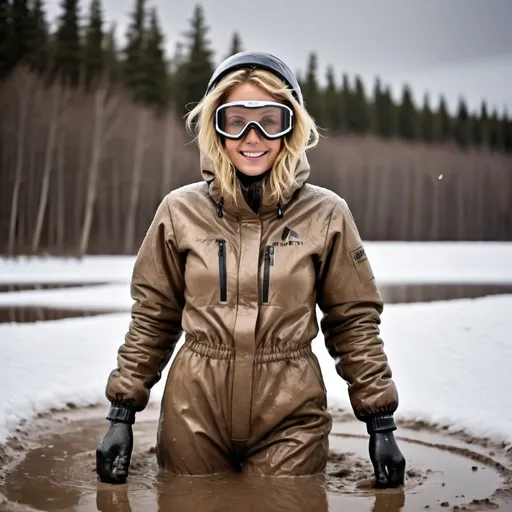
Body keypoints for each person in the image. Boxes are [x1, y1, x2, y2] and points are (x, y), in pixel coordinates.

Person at [95, 51, 406, 488]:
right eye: (236, 120)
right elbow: (154, 316)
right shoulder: (179, 212)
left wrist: (380, 423)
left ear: (292, 126)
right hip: (194, 409)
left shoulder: (327, 215)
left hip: (291, 411)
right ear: (214, 128)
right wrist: (121, 415)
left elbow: (353, 322)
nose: (252, 136)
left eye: (270, 120)